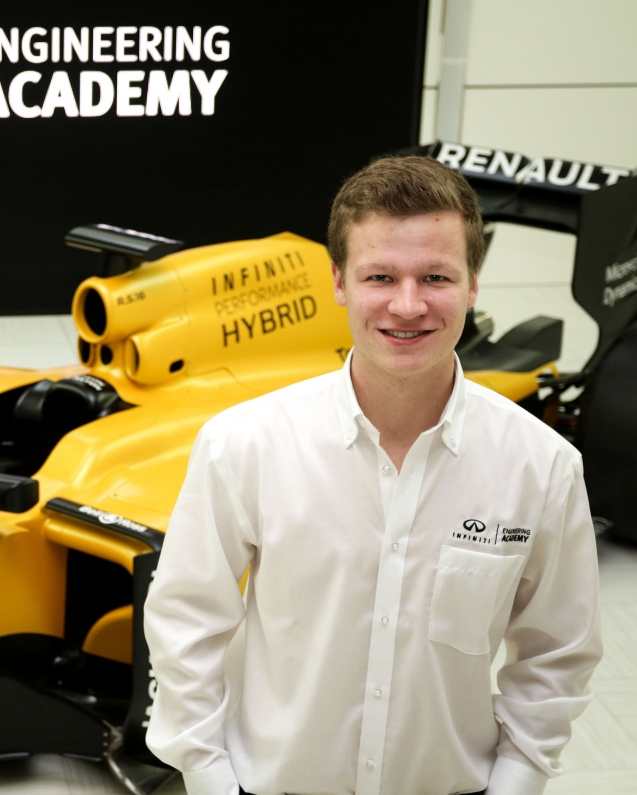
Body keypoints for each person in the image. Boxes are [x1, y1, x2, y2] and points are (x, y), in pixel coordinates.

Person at [143, 156, 602, 795]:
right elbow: (186, 621)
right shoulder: (244, 445)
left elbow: (559, 648)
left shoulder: (543, 465)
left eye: (435, 276)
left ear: (474, 285)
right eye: (380, 275)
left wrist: (518, 779)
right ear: (339, 281)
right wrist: (209, 775)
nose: (407, 305)